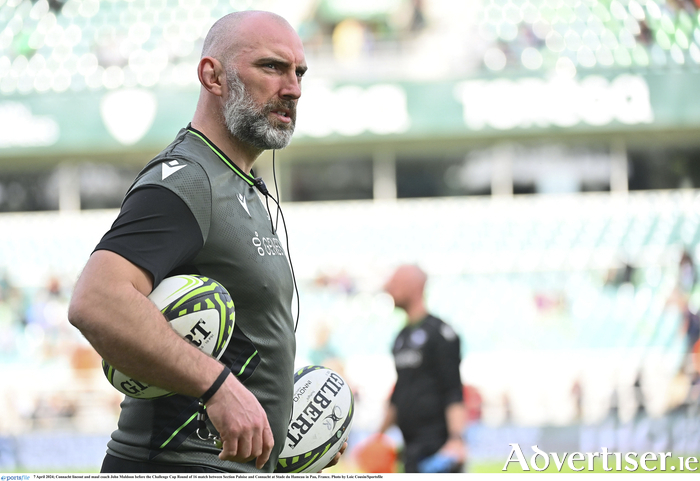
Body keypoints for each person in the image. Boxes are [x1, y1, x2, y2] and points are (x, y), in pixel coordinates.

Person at [68, 11, 343, 473]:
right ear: (212, 76)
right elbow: (96, 300)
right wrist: (218, 386)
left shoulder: (241, 184)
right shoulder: (189, 179)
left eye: (299, 72)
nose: (293, 88)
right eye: (272, 67)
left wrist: (281, 438)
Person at [378, 264, 466, 473]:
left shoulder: (441, 333)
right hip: (410, 450)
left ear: (413, 286)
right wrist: (378, 436)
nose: (387, 288)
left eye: (395, 283)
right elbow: (400, 392)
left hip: (438, 450)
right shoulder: (400, 338)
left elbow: (453, 390)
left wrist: (457, 440)